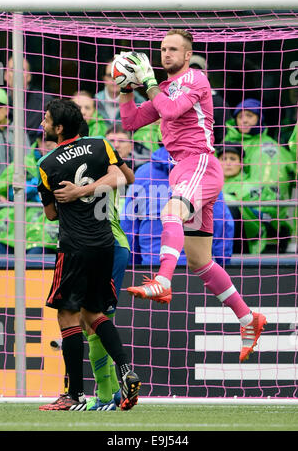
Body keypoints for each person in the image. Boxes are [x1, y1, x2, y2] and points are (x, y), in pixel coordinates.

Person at [117, 29, 267, 363]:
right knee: (199, 260)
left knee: (171, 211)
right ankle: (248, 318)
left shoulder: (196, 80)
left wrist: (149, 83)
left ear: (187, 55)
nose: (165, 54)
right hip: (184, 170)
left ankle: (162, 280)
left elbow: (170, 112)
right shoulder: (165, 89)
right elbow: (131, 121)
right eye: (162, 49)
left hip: (200, 163)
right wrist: (126, 89)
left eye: (173, 49)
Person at [37, 98, 140, 411]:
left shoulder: (47, 164)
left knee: (67, 315)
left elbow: (52, 214)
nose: (41, 124)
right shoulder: (100, 145)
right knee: (94, 315)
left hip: (75, 248)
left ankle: (74, 395)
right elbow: (126, 178)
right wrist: (93, 188)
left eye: (45, 120)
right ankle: (125, 369)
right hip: (105, 243)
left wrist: (76, 193)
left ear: (59, 127)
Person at [121, 145, 234, 266]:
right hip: (196, 268)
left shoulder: (143, 173)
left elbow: (129, 226)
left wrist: (136, 264)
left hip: (152, 265)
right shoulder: (205, 173)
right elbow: (222, 223)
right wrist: (223, 262)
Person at [223, 98, 295, 252]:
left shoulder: (267, 149)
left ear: (259, 118)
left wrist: (231, 195)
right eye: (240, 116)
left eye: (250, 115)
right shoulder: (227, 142)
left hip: (265, 225)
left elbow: (268, 190)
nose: (244, 120)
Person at [217, 142, 293, 254]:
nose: (228, 163)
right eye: (224, 159)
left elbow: (267, 216)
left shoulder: (252, 186)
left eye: (232, 159)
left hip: (246, 239)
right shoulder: (212, 184)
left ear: (241, 163)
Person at [0, 129, 58, 255]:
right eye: (44, 139)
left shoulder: (63, 164)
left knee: (37, 250)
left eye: (52, 140)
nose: (48, 143)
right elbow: (2, 189)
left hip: (46, 220)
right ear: (38, 141)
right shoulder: (22, 163)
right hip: (16, 218)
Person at [4, 57, 53, 145]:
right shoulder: (1, 102)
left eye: (21, 70)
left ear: (29, 76)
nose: (17, 74)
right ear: (5, 75)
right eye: (12, 70)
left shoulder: (44, 102)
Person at [189, 54, 231, 144]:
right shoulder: (176, 97)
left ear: (206, 74)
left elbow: (223, 136)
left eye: (199, 71)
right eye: (191, 71)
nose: (195, 75)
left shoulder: (218, 103)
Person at [95, 59, 145, 129]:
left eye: (119, 75)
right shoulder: (95, 101)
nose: (115, 79)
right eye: (110, 75)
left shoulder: (140, 102)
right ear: (104, 78)